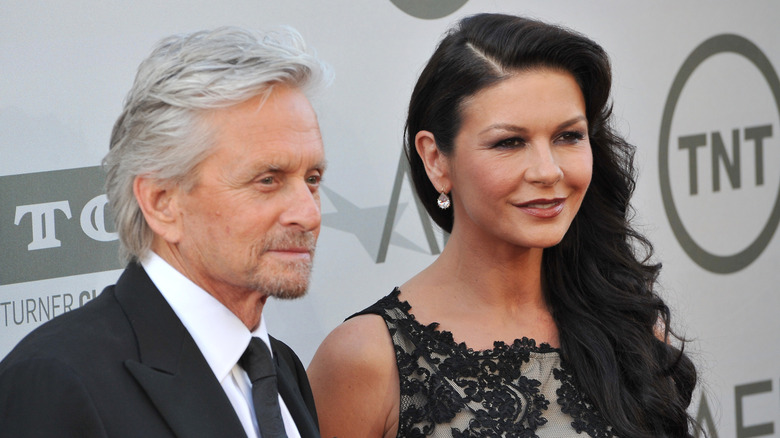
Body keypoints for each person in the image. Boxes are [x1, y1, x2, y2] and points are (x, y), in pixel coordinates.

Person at [307, 13, 699, 438]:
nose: (548, 171)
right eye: (509, 142)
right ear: (436, 159)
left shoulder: (629, 328)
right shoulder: (365, 361)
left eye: (568, 136)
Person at [0, 26, 329, 438]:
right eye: (267, 179)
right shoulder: (57, 380)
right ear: (161, 202)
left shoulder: (282, 368)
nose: (308, 213)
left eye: (312, 178)